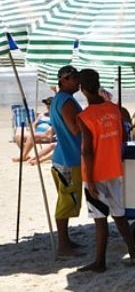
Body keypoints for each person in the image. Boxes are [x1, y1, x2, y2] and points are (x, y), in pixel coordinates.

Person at [77, 69, 135, 272]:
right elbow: (122, 138)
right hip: (114, 169)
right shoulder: (115, 110)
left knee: (100, 218)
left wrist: (91, 180)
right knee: (119, 214)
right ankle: (133, 253)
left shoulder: (84, 116)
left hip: (95, 172)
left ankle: (100, 262)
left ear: (82, 89)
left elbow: (87, 151)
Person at [49, 65, 84, 257]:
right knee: (66, 200)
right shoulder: (66, 101)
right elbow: (75, 128)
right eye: (73, 78)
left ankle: (66, 241)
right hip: (68, 158)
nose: (77, 81)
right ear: (63, 80)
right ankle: (63, 245)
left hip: (63, 156)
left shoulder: (58, 99)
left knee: (67, 199)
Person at [13, 96, 56, 162]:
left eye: (49, 104)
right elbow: (33, 125)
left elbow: (55, 127)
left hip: (47, 135)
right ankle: (25, 155)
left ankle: (23, 156)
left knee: (31, 136)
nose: (47, 106)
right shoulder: (42, 115)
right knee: (18, 136)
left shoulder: (56, 115)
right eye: (46, 104)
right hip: (36, 133)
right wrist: (32, 130)